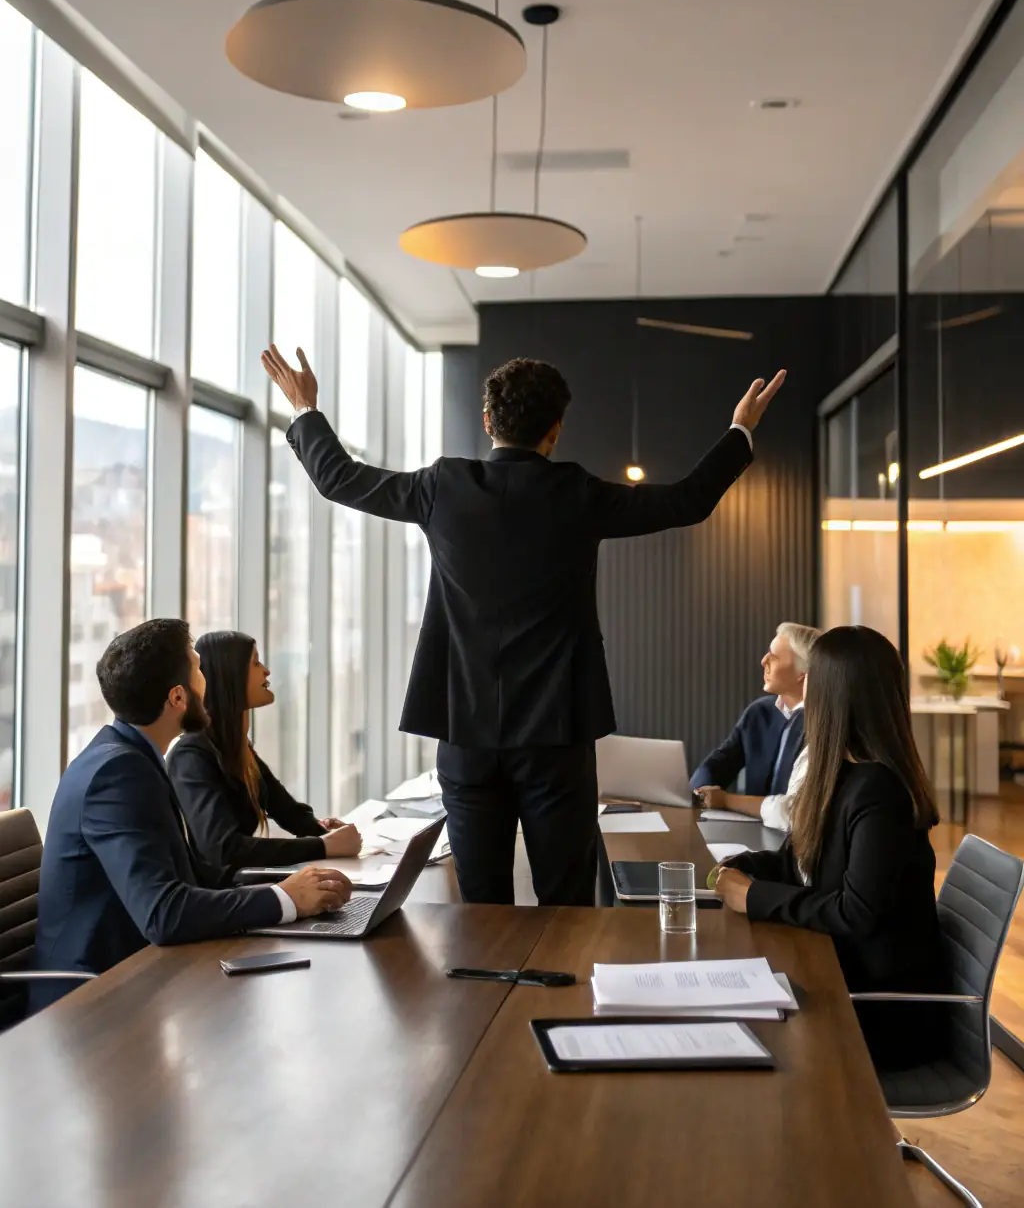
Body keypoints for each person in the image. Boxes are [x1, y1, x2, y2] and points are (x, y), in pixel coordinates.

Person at [263, 343, 785, 908]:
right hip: (556, 736)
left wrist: (305, 410)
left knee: (482, 905)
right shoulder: (578, 495)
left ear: (488, 422)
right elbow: (688, 500)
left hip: (466, 732)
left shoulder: (442, 487)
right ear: (556, 430)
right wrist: (740, 430)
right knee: (566, 904)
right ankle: (561, 996)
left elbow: (340, 478)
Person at [30, 620, 351, 1012]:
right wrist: (283, 898)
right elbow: (164, 913)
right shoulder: (117, 775)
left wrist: (292, 886)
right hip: (88, 1003)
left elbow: (193, 872)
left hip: (138, 976)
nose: (208, 684)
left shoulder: (132, 757)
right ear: (178, 698)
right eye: (200, 671)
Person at [713, 626, 944, 1068]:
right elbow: (804, 862)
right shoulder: (842, 774)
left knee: (738, 1037)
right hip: (846, 979)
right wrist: (746, 866)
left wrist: (754, 897)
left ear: (834, 696)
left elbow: (856, 912)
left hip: (880, 1012)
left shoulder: (879, 791)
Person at [169, 631, 362, 871]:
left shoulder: (236, 747)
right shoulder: (191, 755)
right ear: (232, 674)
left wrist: (324, 831)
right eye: (255, 663)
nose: (266, 671)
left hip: (243, 887)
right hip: (222, 898)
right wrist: (323, 846)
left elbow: (287, 810)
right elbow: (225, 848)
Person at [689, 623, 819, 820]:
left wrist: (725, 799)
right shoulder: (760, 712)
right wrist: (697, 793)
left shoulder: (822, 725)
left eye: (773, 657)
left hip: (792, 835)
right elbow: (718, 763)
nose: (763, 661)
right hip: (752, 828)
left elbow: (795, 811)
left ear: (802, 672)